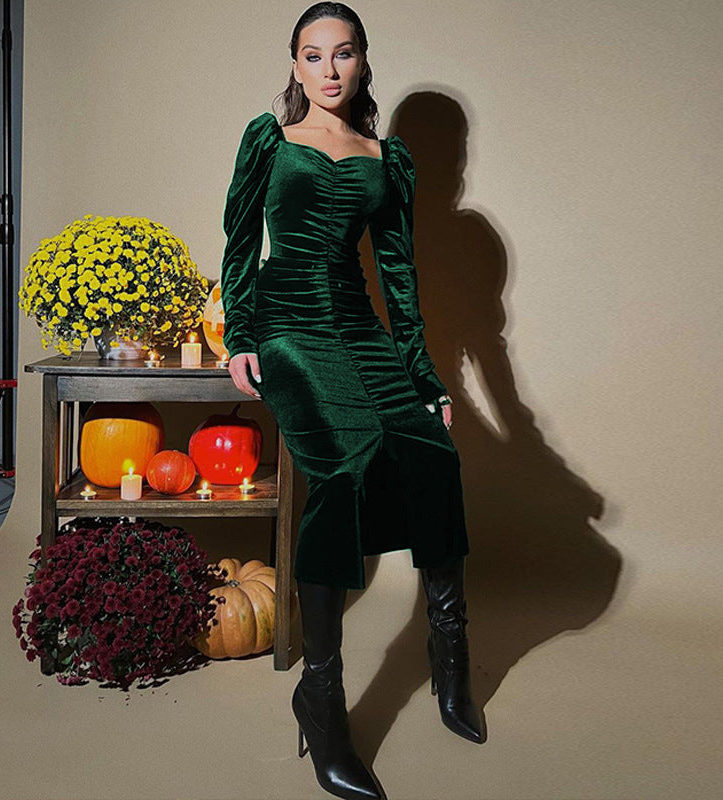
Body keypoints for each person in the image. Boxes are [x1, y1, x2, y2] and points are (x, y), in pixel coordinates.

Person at [219, 4, 486, 798]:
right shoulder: (269, 141)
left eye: (343, 54)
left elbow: (398, 275)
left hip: (361, 329)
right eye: (313, 55)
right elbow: (240, 243)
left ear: (364, 61)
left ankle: (449, 655)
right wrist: (241, 333)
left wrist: (425, 376)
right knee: (341, 472)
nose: (328, 69)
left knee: (433, 455)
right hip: (289, 327)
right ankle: (322, 694)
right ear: (294, 65)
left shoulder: (387, 159)